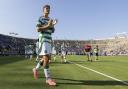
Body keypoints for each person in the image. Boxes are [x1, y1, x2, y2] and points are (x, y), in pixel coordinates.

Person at [32, 5, 58, 86]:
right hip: (43, 40)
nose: (47, 10)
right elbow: (38, 29)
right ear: (43, 10)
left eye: (48, 9)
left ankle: (35, 69)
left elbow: (52, 31)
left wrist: (53, 24)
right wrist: (48, 25)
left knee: (45, 59)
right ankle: (48, 79)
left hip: (49, 40)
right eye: (46, 9)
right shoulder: (40, 18)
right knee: (46, 58)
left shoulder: (50, 19)